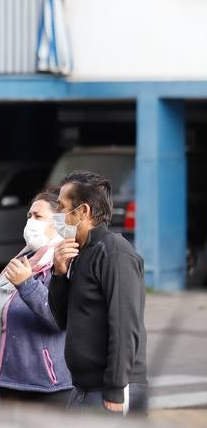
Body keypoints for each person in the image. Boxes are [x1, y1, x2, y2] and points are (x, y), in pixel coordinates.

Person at [48, 170, 148, 415]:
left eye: (62, 207)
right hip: (83, 389)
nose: (57, 215)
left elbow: (125, 325)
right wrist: (59, 274)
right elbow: (62, 319)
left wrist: (114, 389)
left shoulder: (114, 252)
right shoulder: (80, 252)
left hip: (110, 391)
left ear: (83, 211)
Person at [0, 190, 72, 410]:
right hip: (8, 381)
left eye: (38, 216)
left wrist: (26, 283)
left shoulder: (63, 261)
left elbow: (56, 316)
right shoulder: (25, 257)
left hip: (45, 385)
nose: (31, 222)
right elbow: (17, 306)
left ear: (59, 222)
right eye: (29, 216)